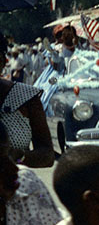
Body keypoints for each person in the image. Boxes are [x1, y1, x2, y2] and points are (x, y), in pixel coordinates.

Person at [0, 34, 55, 168]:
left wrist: (19, 156)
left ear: (3, 61)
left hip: (14, 184)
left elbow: (47, 155)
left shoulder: (25, 97)